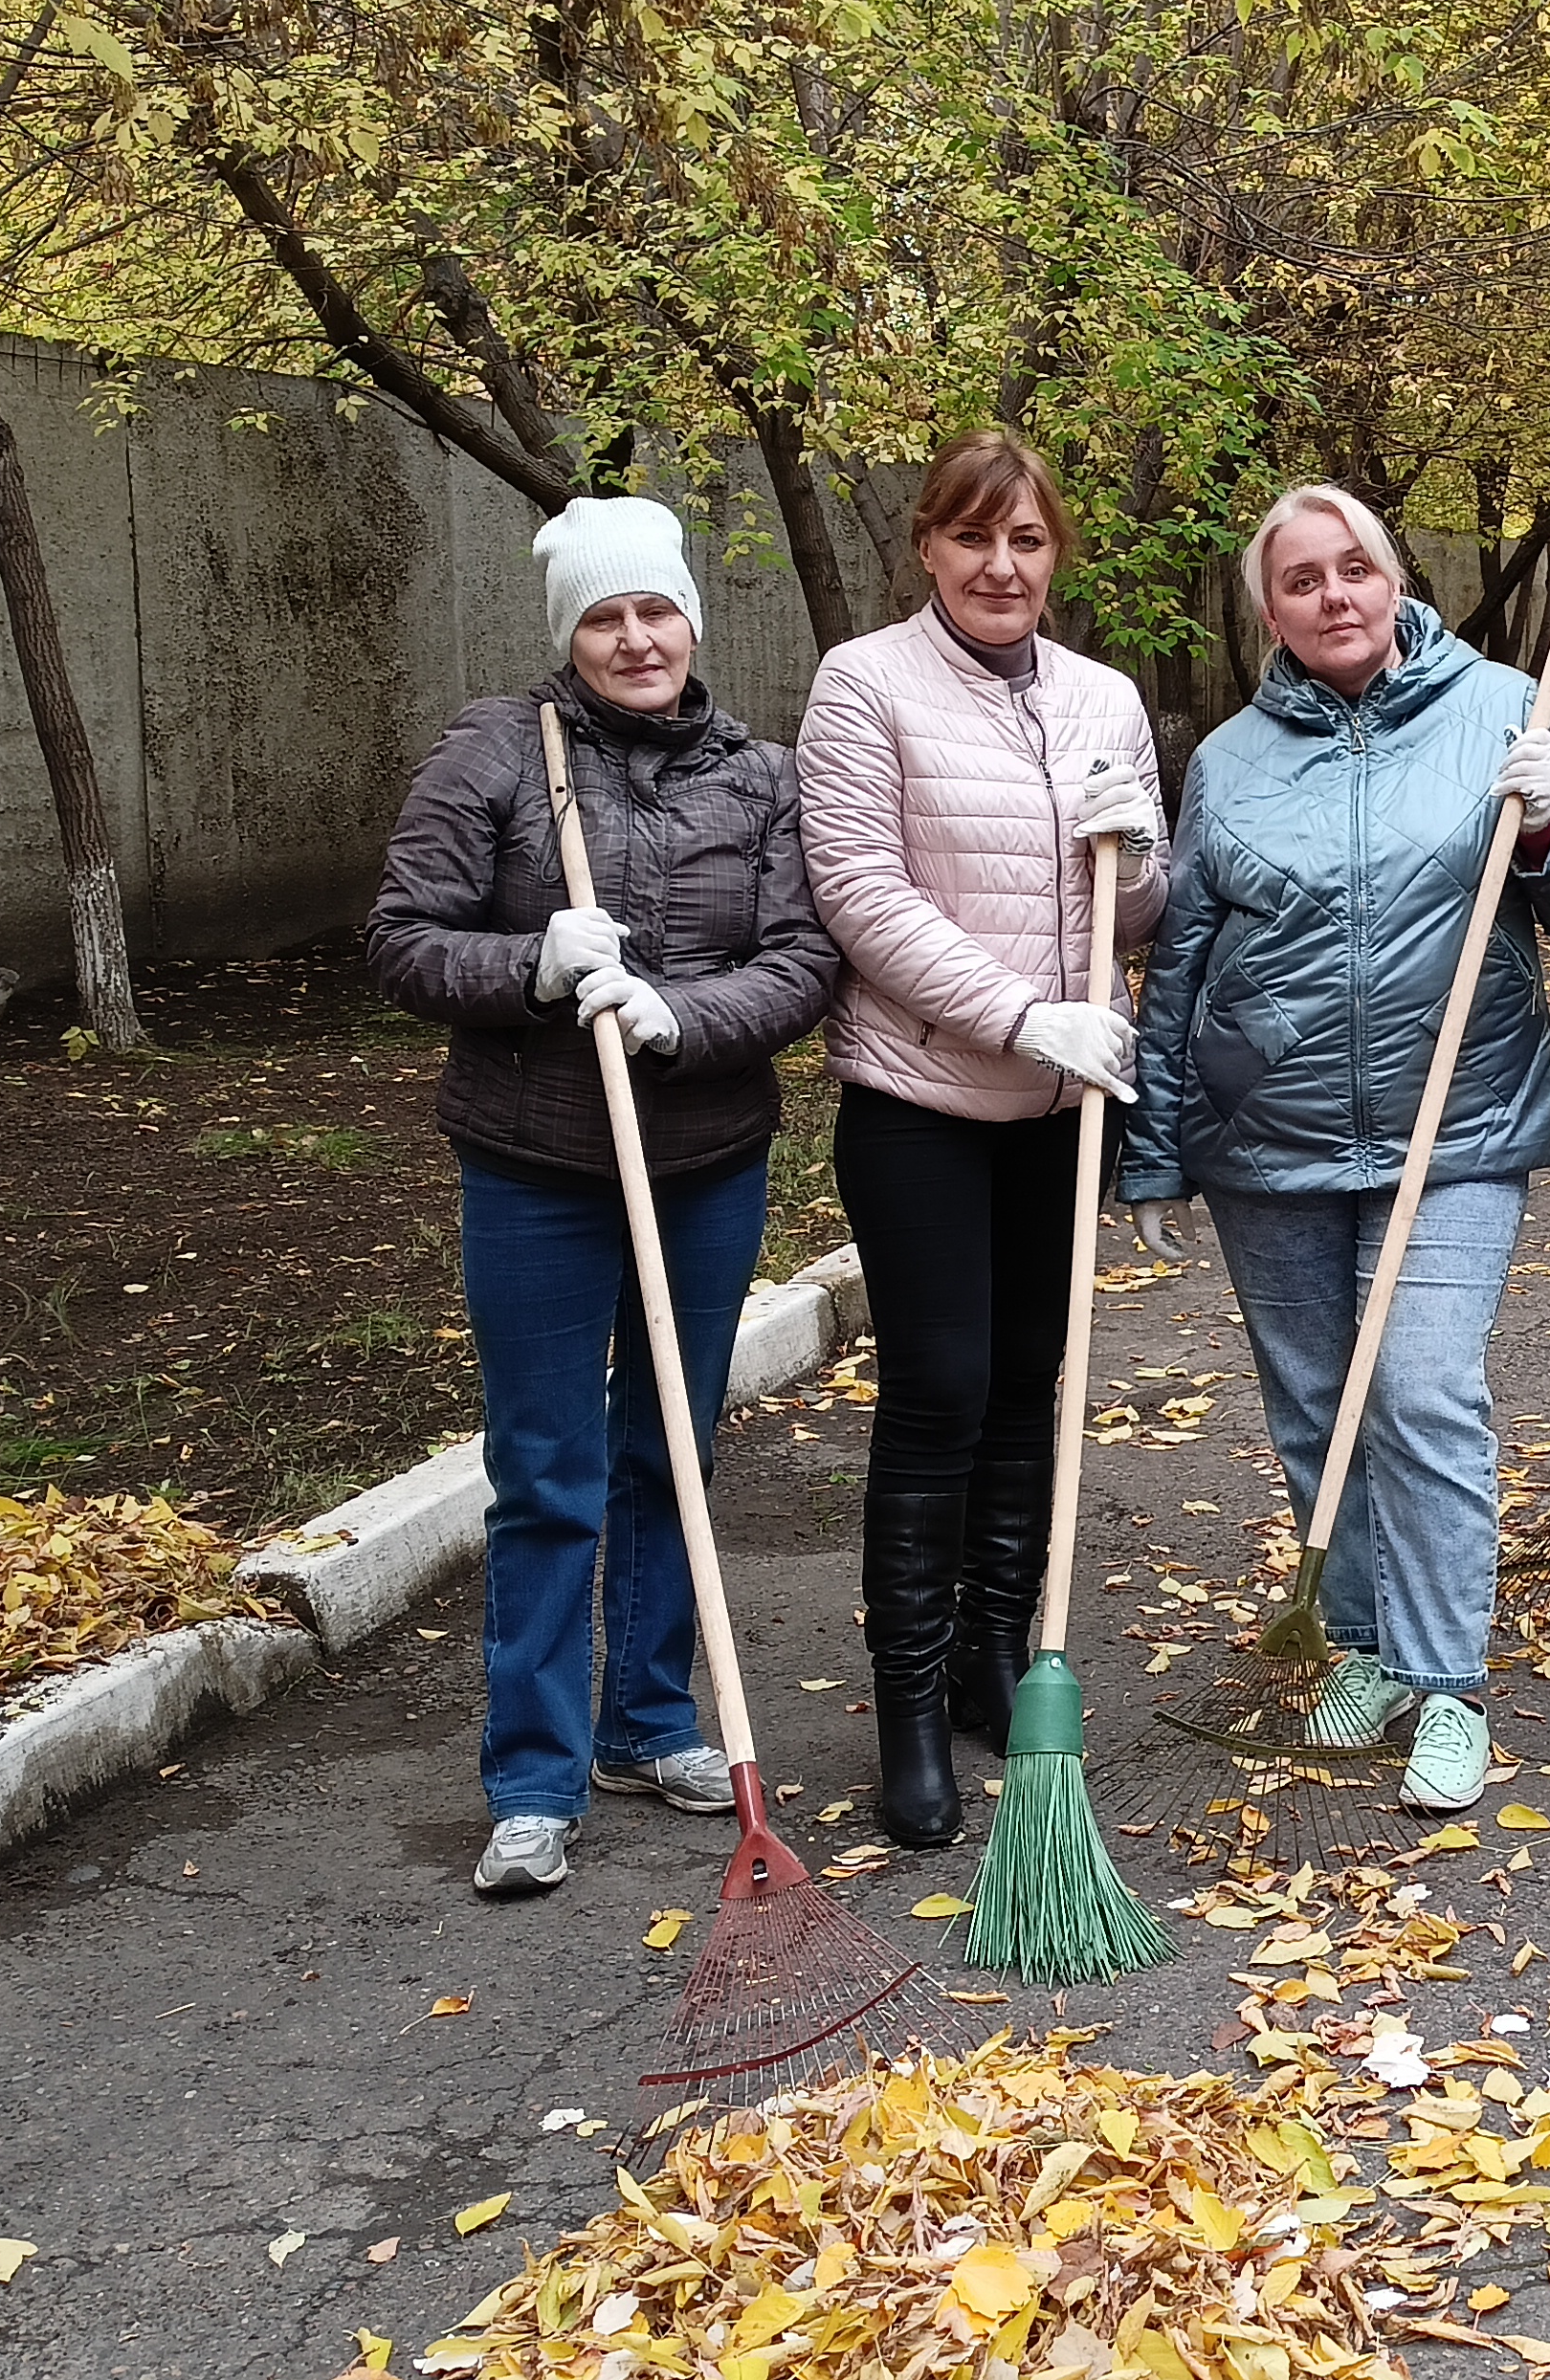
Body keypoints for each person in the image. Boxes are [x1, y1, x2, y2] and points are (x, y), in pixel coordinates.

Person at [365, 496, 847, 1900]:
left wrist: (678, 1019)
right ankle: (532, 1773)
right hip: (532, 1169)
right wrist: (531, 964)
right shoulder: (499, 756)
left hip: (703, 1164)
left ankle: (650, 1724)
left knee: (671, 1453)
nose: (636, 638)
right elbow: (401, 944)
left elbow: (805, 961)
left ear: (692, 620)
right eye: (605, 615)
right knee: (547, 1469)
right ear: (569, 632)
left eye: (656, 611)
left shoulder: (762, 778)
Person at [1120, 488, 1550, 1812]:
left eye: (1357, 570)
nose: (1334, 596)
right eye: (1301, 580)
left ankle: (1447, 1680)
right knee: (1314, 1409)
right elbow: (1182, 959)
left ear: (1396, 582)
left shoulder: (1506, 704)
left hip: (1454, 1124)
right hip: (1263, 1132)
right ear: (1267, 610)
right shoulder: (1228, 758)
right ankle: (1362, 1649)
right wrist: (1155, 1144)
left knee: (1419, 1390)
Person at [795, 431, 1167, 1849]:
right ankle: (903, 1702)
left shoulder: (1105, 699)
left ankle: (988, 1659)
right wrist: (1021, 1015)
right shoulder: (864, 684)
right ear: (927, 549)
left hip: (1058, 1116)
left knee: (1029, 1383)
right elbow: (858, 891)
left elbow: (1139, 909)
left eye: (1026, 542)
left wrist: (1143, 851)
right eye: (973, 540)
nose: (1001, 567)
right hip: (927, 1101)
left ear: (1054, 553)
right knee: (940, 1388)